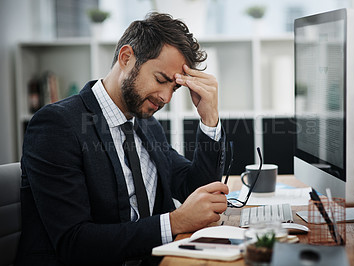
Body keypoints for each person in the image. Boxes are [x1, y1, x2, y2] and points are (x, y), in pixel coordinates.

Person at [16, 12, 229, 265]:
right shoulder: (57, 125)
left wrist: (209, 119)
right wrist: (174, 222)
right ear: (126, 57)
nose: (166, 97)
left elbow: (196, 188)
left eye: (174, 88)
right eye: (161, 79)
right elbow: (74, 242)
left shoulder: (146, 124)